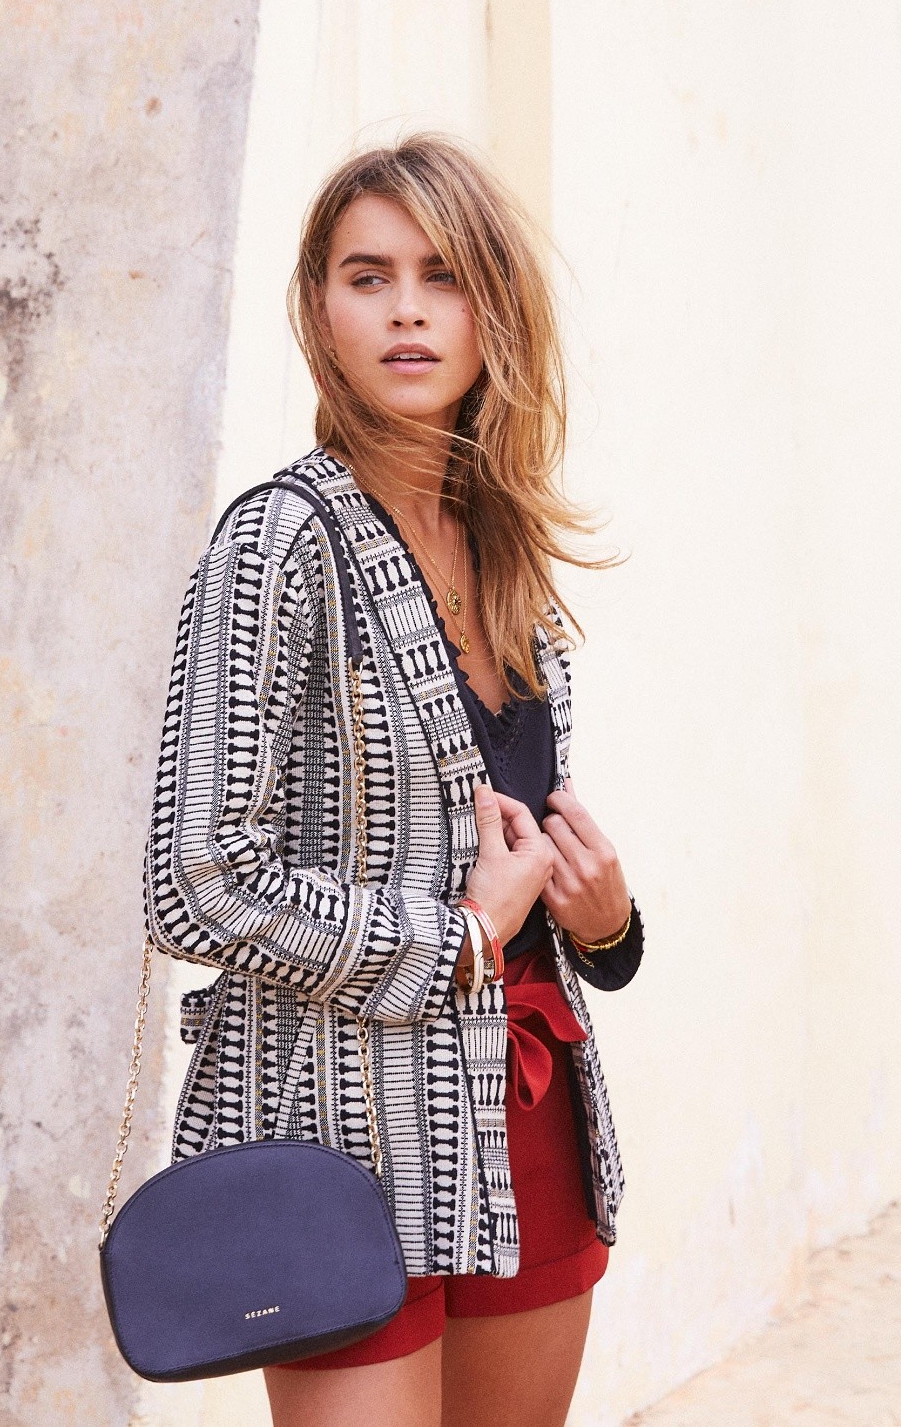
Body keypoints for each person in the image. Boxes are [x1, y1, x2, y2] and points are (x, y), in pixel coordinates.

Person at [143, 132, 644, 1427]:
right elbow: (196, 881)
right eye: (368, 277)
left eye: (443, 276)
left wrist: (605, 926)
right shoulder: (279, 540)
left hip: (528, 1101)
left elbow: (509, 849)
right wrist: (455, 936)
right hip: (340, 1129)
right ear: (321, 310)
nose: (408, 309)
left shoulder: (506, 544)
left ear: (494, 312)